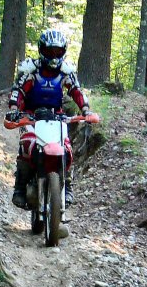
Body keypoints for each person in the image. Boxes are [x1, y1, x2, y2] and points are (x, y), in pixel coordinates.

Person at [6, 29, 90, 209]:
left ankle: (67, 185)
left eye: (58, 52)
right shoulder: (31, 70)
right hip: (31, 115)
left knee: (66, 147)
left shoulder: (65, 72)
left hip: (56, 116)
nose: (54, 56)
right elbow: (18, 91)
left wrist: (85, 108)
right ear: (42, 50)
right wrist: (14, 108)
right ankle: (20, 187)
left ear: (63, 52)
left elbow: (76, 90)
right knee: (27, 145)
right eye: (50, 51)